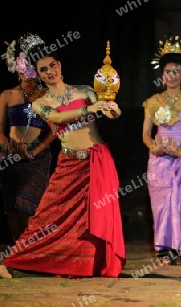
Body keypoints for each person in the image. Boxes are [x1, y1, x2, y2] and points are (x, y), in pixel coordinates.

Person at [0, 33, 125, 279]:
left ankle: (90, 264)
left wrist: (113, 109)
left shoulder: (85, 90)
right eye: (43, 69)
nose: (49, 71)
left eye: (52, 65)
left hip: (97, 161)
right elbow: (57, 118)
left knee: (92, 219)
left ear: (60, 65)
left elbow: (109, 112)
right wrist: (89, 109)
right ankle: (9, 261)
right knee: (46, 217)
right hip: (69, 164)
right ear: (37, 74)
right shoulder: (40, 104)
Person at [142, 35, 181, 265]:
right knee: (161, 205)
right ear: (162, 75)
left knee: (178, 203)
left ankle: (180, 247)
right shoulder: (152, 101)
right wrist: (153, 148)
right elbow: (146, 134)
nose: (172, 75)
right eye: (168, 72)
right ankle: (165, 250)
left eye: (176, 71)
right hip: (158, 160)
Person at [0, 36, 55, 242]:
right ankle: (18, 250)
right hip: (9, 155)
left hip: (37, 158)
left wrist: (35, 151)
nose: (25, 73)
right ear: (16, 68)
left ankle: (31, 248)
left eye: (30, 68)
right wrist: (8, 147)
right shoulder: (7, 95)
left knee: (30, 204)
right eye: (21, 68)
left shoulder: (46, 95)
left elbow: (54, 130)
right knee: (12, 205)